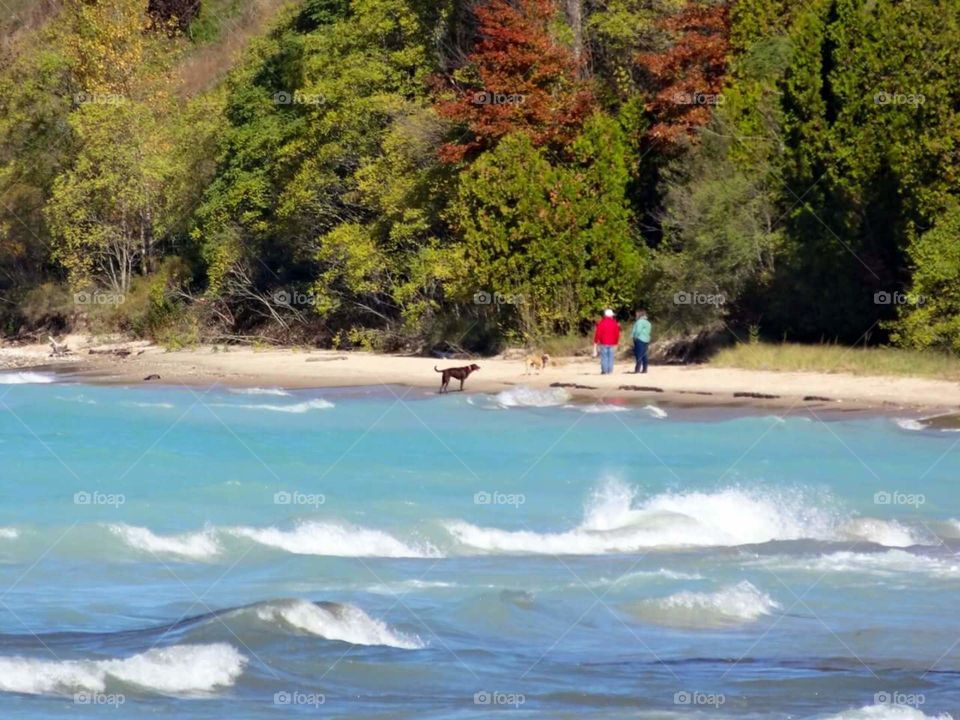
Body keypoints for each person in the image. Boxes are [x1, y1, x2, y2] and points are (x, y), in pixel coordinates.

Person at [593, 309, 621, 374]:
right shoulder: (614, 323)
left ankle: (605, 371)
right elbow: (617, 333)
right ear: (611, 315)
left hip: (603, 342)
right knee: (611, 357)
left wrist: (596, 341)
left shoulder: (601, 323)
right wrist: (616, 342)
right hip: (612, 343)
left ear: (605, 315)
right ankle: (610, 370)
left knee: (604, 357)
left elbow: (598, 333)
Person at [631, 309, 651, 374]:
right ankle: (645, 369)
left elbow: (638, 331)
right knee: (644, 355)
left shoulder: (639, 322)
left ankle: (637, 369)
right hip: (646, 339)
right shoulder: (648, 322)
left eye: (636, 314)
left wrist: (634, 337)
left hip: (639, 339)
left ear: (639, 314)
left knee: (638, 355)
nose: (635, 315)